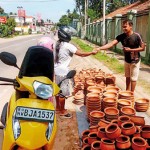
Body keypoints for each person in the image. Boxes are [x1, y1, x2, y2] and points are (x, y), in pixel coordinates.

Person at [54, 27, 97, 118]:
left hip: (57, 71)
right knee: (63, 93)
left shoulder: (57, 44)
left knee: (57, 91)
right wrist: (91, 52)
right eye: (69, 34)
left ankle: (58, 108)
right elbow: (81, 54)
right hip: (63, 72)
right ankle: (62, 111)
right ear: (66, 35)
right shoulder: (68, 45)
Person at [95, 19, 145, 92]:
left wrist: (130, 50)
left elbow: (142, 48)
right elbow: (111, 44)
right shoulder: (121, 36)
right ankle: (127, 91)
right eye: (122, 27)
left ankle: (131, 94)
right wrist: (99, 48)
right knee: (127, 76)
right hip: (127, 60)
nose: (123, 28)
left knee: (133, 78)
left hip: (135, 60)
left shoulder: (137, 36)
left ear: (131, 26)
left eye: (125, 27)